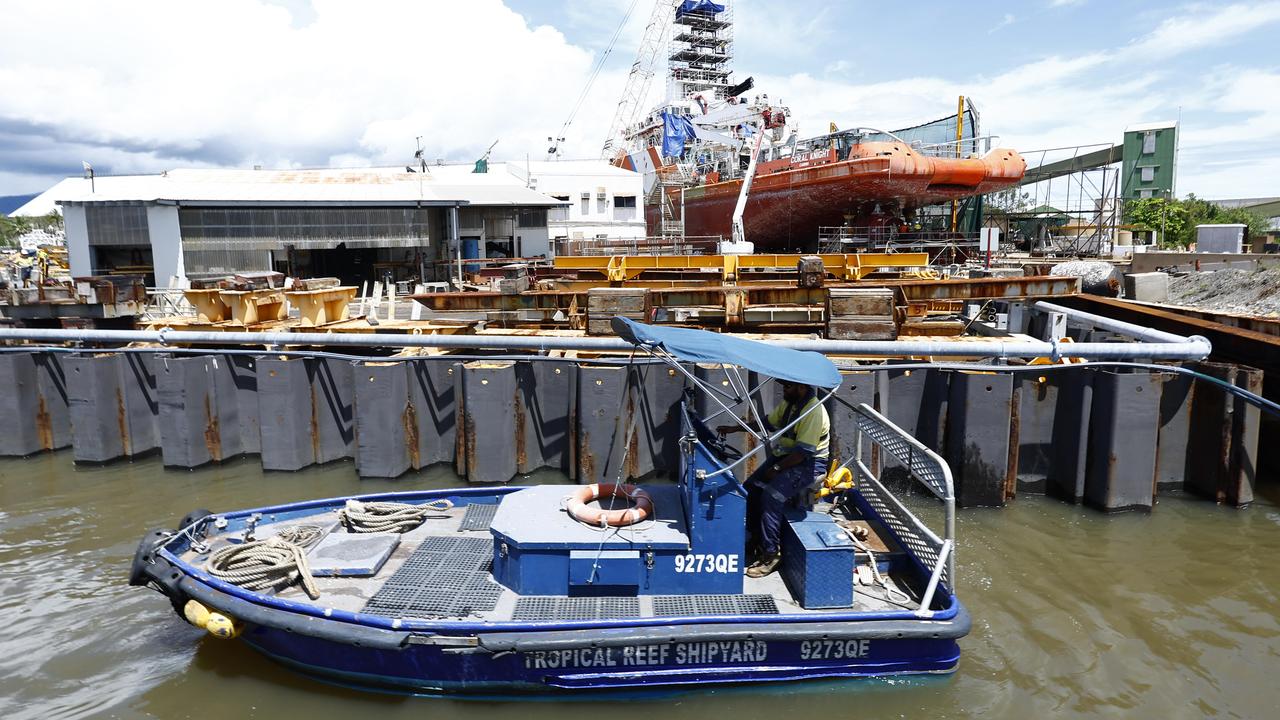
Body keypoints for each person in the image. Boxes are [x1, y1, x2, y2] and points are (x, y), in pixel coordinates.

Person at [717, 379, 830, 578]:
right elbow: (768, 422)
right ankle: (756, 539)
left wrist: (777, 468)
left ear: (802, 387)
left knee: (771, 497)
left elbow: (803, 453)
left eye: (787, 386)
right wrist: (735, 428)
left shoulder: (813, 411)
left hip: (808, 464)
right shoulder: (791, 403)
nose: (783, 390)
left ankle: (771, 554)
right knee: (749, 488)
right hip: (787, 458)